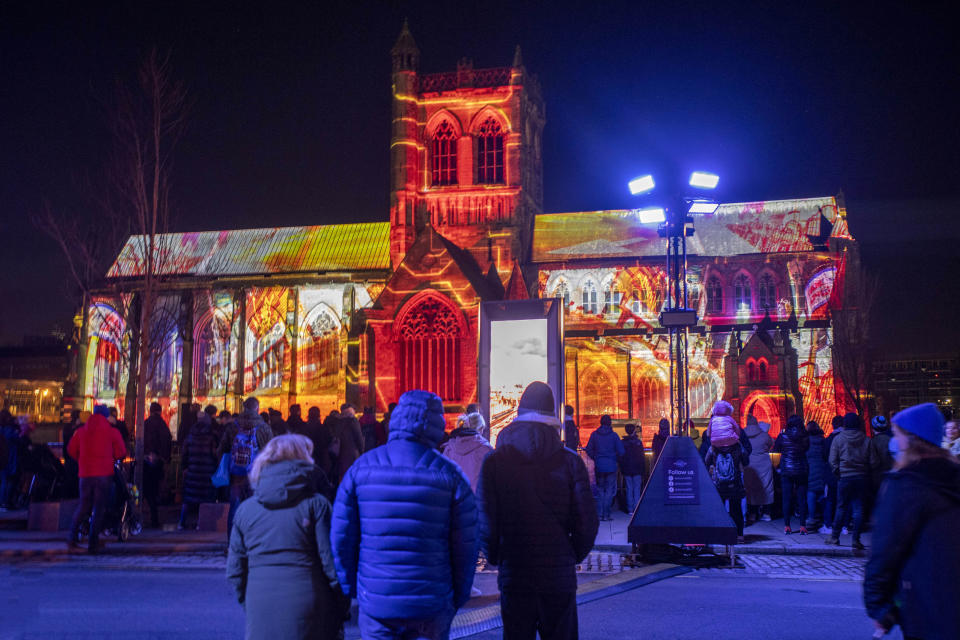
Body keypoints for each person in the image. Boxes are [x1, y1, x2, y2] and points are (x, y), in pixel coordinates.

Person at [331, 390, 478, 640]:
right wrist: (457, 595)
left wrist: (353, 588)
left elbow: (341, 537)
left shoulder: (362, 469)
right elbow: (466, 546)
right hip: (431, 603)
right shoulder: (450, 475)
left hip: (377, 601)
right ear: (436, 424)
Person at [478, 381, 598, 640]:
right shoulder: (570, 462)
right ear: (552, 420)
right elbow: (587, 522)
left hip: (515, 571)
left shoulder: (495, 462)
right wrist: (571, 555)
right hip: (558, 575)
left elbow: (486, 521)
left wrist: (497, 556)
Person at [227, 434, 347, 640]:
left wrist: (250, 602)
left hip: (260, 602)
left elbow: (236, 570)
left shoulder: (246, 511)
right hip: (309, 602)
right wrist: (341, 608)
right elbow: (332, 566)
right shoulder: (316, 505)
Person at [864, 403, 960, 640]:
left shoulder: (905, 485)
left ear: (910, 439)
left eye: (897, 434)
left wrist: (879, 605)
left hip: (926, 605)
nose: (894, 441)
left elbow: (885, 549)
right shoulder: (953, 476)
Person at [67, 405, 127, 552]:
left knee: (83, 506)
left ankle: (72, 537)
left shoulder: (81, 431)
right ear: (107, 416)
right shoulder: (112, 431)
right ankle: (93, 543)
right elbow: (121, 452)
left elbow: (71, 450)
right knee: (99, 508)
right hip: (104, 474)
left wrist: (82, 461)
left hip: (85, 474)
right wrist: (111, 458)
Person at [219, 397, 274, 538]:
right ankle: (253, 541)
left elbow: (222, 449)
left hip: (236, 474)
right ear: (257, 409)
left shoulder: (233, 427)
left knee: (235, 508)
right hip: (256, 475)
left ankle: (232, 542)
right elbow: (271, 452)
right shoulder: (264, 428)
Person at [825, 412, 878, 549]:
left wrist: (839, 472)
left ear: (845, 424)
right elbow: (874, 462)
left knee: (841, 507)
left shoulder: (838, 439)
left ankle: (835, 537)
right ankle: (856, 539)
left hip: (845, 477)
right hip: (861, 477)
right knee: (858, 508)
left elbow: (832, 460)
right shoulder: (867, 440)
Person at [705, 423, 752, 543]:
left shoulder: (714, 446)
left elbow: (706, 461)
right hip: (734, 481)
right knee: (736, 509)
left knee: (719, 510)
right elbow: (746, 461)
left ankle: (720, 534)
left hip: (719, 482)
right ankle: (739, 535)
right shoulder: (737, 445)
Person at [179, 408, 218, 530]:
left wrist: (184, 467)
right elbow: (215, 453)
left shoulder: (191, 435)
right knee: (205, 499)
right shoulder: (212, 435)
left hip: (193, 470)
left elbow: (184, 453)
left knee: (188, 499)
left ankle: (182, 522)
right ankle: (200, 523)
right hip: (207, 470)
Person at [773, 415, 810, 534]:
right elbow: (806, 449)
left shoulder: (783, 436)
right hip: (801, 470)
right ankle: (803, 526)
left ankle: (787, 526)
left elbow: (776, 449)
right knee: (802, 498)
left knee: (786, 498)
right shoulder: (805, 437)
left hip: (787, 471)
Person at [586, 414, 624, 522]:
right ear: (610, 423)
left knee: (600, 490)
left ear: (600, 423)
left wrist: (596, 458)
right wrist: (614, 458)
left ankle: (599, 514)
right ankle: (607, 515)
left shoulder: (594, 435)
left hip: (599, 466)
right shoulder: (614, 436)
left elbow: (588, 449)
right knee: (608, 491)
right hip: (611, 466)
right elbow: (621, 451)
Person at [441, 412, 493, 491]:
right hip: (478, 499)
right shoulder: (485, 449)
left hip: (456, 499)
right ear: (480, 429)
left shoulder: (449, 448)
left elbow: (443, 478)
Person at [143, 402, 173, 528]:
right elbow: (167, 440)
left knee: (147, 489)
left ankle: (147, 515)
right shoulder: (162, 424)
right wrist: (165, 457)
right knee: (155, 490)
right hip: (158, 460)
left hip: (145, 460)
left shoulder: (145, 423)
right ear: (160, 411)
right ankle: (154, 517)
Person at [743, 417, 774, 524]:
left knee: (750, 489)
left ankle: (752, 514)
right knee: (766, 488)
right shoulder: (764, 435)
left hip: (749, 464)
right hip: (764, 464)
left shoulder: (743, 435)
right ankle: (766, 513)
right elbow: (770, 444)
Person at [821, 415, 844, 533]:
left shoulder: (829, 439)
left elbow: (825, 456)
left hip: (832, 473)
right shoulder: (847, 438)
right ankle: (844, 525)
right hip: (846, 473)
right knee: (844, 500)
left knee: (830, 499)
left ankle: (828, 524)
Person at [805, 420, 829, 529]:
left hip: (810, 469)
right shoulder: (823, 440)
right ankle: (823, 517)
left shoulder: (806, 441)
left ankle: (812, 517)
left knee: (811, 493)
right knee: (822, 494)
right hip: (822, 468)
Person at [618, 423, 646, 513]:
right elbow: (642, 457)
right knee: (637, 489)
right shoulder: (638, 442)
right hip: (637, 469)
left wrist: (622, 468)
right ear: (634, 431)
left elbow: (621, 456)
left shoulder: (622, 442)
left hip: (626, 469)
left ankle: (630, 509)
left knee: (629, 489)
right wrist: (643, 469)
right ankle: (636, 509)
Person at [333, 403, 364, 482]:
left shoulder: (337, 421)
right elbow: (358, 436)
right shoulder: (353, 421)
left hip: (339, 451)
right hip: (351, 451)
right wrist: (361, 450)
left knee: (342, 474)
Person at [302, 406, 333, 480]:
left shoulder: (304, 428)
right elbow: (328, 440)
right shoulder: (323, 428)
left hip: (308, 455)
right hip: (321, 456)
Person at [0, 410, 21, 509]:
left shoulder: (2, 429)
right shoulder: (9, 430)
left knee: (3, 480)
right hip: (9, 457)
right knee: (8, 481)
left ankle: (3, 502)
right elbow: (17, 439)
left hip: (2, 457)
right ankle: (5, 501)